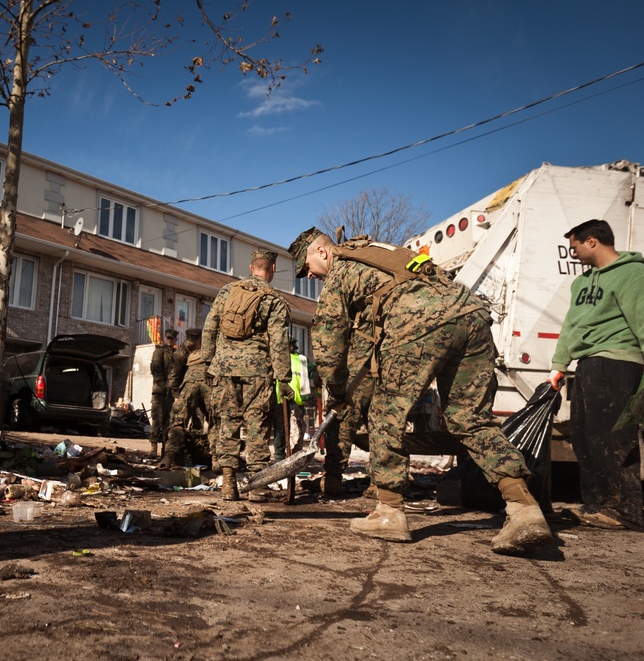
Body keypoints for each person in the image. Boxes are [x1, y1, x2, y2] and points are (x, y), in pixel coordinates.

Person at [289, 227, 551, 555]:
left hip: (421, 321)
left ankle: (388, 513)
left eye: (308, 267)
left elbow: (328, 339)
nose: (310, 275)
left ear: (323, 252)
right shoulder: (384, 255)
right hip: (472, 315)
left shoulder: (342, 269)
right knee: (471, 419)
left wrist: (338, 388)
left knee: (386, 412)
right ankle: (525, 510)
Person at [547, 219, 644, 531]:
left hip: (618, 363)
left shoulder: (635, 275)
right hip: (588, 365)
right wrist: (559, 365)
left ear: (592, 241)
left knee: (615, 438)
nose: (573, 252)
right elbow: (571, 326)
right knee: (585, 439)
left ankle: (625, 510)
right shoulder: (581, 283)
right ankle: (597, 506)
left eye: (575, 245)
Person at [202, 249, 293, 501]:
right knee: (257, 426)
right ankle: (257, 485)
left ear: (251, 267)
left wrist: (210, 360)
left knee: (228, 423)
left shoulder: (227, 291)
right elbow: (279, 342)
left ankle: (229, 483)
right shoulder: (274, 300)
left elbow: (209, 326)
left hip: (224, 369)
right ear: (272, 270)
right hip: (258, 371)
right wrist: (283, 379)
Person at [159, 328, 216, 469]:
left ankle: (169, 456)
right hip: (211, 383)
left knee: (178, 421)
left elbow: (173, 377)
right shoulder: (214, 343)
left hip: (190, 382)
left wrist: (177, 398)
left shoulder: (181, 351)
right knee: (216, 421)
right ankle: (217, 459)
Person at [272, 337, 315, 461]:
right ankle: (279, 459)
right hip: (280, 400)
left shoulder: (302, 360)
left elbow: (314, 372)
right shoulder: (276, 359)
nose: (292, 346)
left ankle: (295, 458)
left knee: (297, 431)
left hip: (297, 401)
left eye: (293, 344)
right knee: (280, 431)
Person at [149, 328, 179, 458]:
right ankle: (153, 448)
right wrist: (162, 384)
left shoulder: (177, 354)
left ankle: (165, 449)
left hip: (172, 393)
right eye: (168, 338)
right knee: (157, 419)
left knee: (169, 421)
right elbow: (156, 368)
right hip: (160, 392)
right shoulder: (159, 352)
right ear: (164, 338)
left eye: (172, 338)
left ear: (175, 339)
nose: (169, 340)